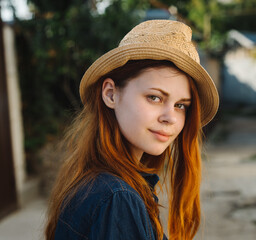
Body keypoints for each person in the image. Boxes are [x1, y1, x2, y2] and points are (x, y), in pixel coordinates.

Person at [45, 19, 219, 240]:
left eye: (180, 105)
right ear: (111, 94)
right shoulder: (117, 197)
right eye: (154, 97)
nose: (170, 118)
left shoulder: (100, 183)